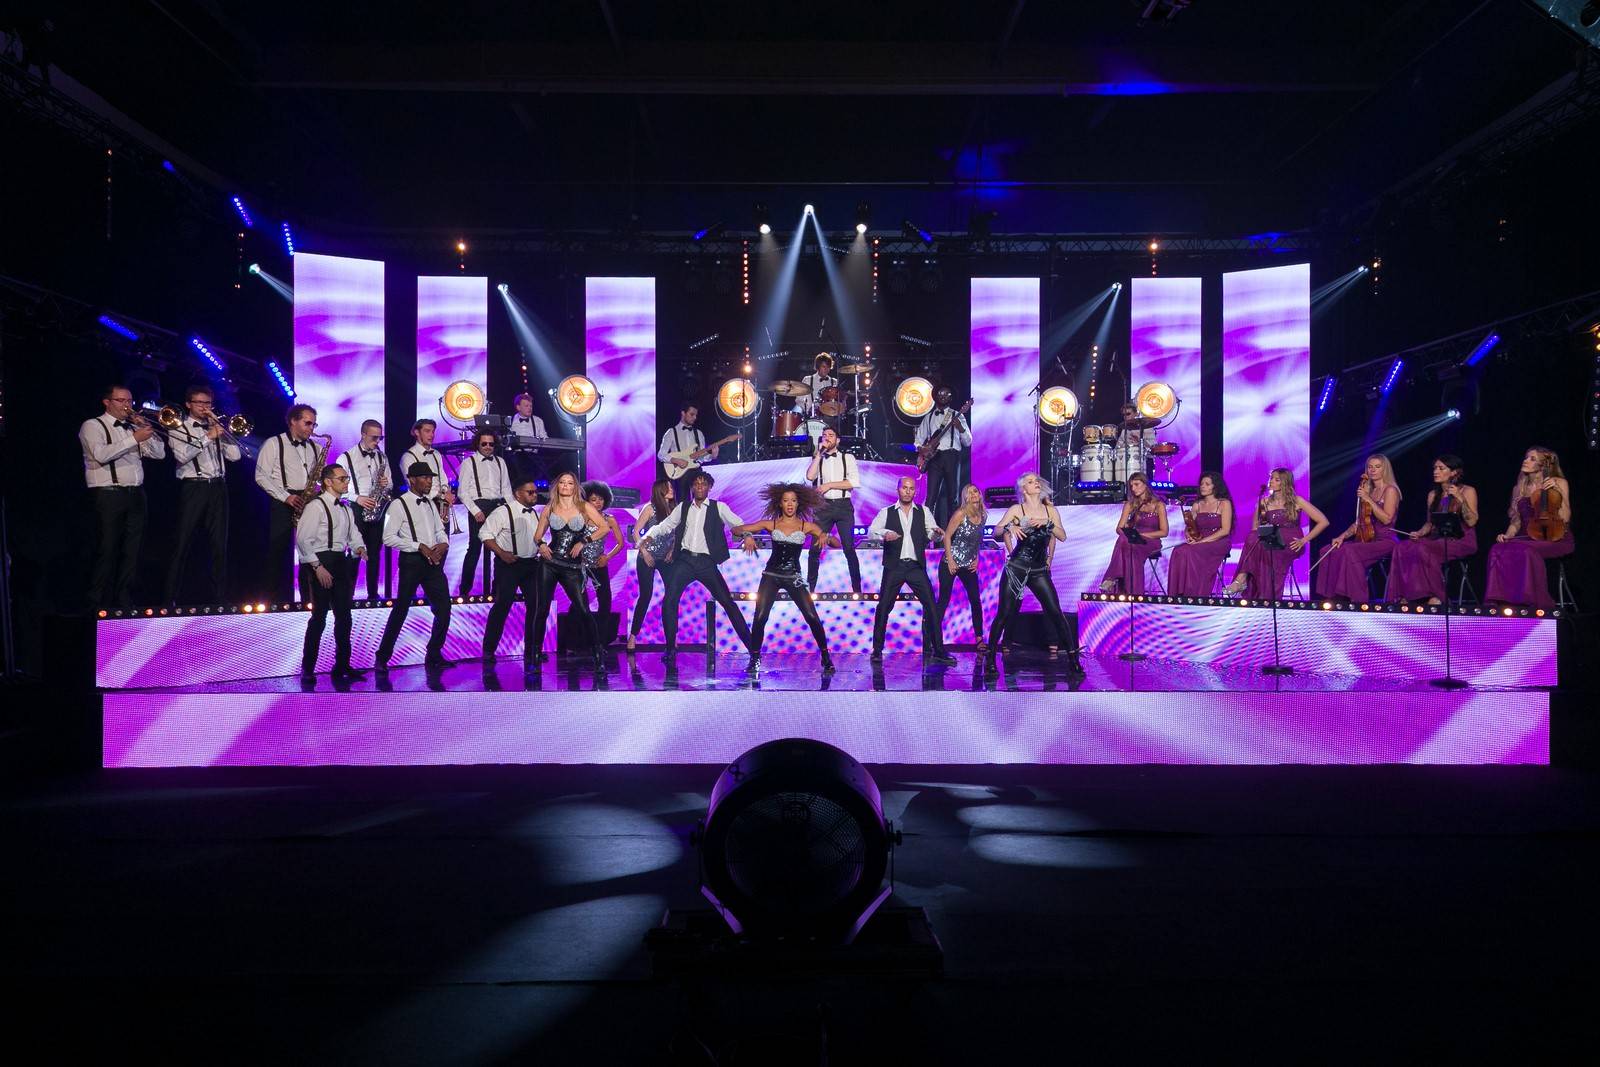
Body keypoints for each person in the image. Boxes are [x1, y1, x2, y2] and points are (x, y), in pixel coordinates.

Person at [648, 469, 759, 659]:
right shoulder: (683, 507)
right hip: (685, 561)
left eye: (704, 484)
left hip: (706, 563)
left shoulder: (719, 507)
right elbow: (666, 525)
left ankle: (752, 648)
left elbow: (738, 524)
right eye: (696, 484)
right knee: (669, 600)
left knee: (727, 602)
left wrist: (748, 535)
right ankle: (671, 648)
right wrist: (649, 536)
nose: (700, 487)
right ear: (692, 487)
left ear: (709, 487)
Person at [732, 483, 838, 672]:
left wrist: (826, 536)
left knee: (812, 616)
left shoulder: (807, 526)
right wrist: (747, 535)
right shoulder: (771, 523)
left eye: (793, 501)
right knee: (760, 617)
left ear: (798, 504)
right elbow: (736, 530)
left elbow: (837, 544)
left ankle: (825, 657)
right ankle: (754, 658)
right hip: (771, 575)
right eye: (786, 501)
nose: (790, 504)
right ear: (780, 503)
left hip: (793, 576)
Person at [80, 383, 165, 608]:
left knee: (132, 551)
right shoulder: (92, 425)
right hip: (108, 495)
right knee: (106, 549)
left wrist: (145, 429)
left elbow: (159, 454)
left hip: (136, 494)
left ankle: (123, 600)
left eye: (129, 401)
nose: (127, 405)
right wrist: (134, 439)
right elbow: (101, 454)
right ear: (107, 402)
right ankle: (96, 602)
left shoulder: (131, 427)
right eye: (121, 400)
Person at [985, 472, 1078, 669]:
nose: (1036, 483)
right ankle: (990, 658)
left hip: (1039, 569)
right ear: (1023, 489)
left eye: (1037, 481)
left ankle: (1073, 659)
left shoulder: (1050, 511)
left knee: (1055, 612)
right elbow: (995, 531)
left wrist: (1048, 524)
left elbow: (1062, 536)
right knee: (1004, 613)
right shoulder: (1017, 509)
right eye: (1030, 482)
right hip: (1016, 567)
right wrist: (1009, 527)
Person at [163, 384, 240, 605]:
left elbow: (235, 456)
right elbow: (182, 456)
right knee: (182, 543)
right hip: (193, 487)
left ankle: (219, 599)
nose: (205, 407)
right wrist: (208, 436)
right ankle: (169, 599)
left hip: (218, 488)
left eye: (208, 403)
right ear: (188, 404)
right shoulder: (178, 426)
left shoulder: (216, 427)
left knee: (219, 545)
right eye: (199, 403)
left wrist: (223, 435)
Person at [374, 462, 453, 671]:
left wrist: (443, 543)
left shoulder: (430, 504)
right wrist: (418, 546)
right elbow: (388, 538)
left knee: (444, 608)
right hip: (411, 562)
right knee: (401, 609)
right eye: (425, 478)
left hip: (433, 563)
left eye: (431, 478)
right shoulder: (397, 505)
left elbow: (439, 530)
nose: (429, 482)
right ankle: (382, 657)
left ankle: (434, 653)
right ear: (411, 480)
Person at [868, 475, 956, 665]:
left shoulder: (923, 511)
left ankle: (938, 650)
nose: (908, 491)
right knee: (883, 607)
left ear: (915, 491)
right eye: (904, 488)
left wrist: (937, 534)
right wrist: (885, 534)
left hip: (915, 566)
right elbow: (871, 531)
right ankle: (877, 650)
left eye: (911, 489)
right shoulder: (886, 512)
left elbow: (932, 532)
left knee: (931, 607)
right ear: (898, 489)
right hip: (894, 566)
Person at [528, 471, 609, 670]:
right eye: (562, 482)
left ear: (575, 486)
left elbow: (604, 527)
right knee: (542, 609)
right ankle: (535, 655)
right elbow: (537, 535)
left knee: (584, 610)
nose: (566, 485)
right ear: (558, 486)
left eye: (570, 483)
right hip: (549, 563)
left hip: (572, 566)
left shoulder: (584, 506)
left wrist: (584, 541)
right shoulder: (550, 507)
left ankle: (597, 653)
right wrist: (541, 544)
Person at [296, 464, 365, 682]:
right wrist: (317, 567)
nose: (346, 482)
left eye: (346, 478)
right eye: (342, 478)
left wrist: (359, 547)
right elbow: (303, 540)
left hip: (339, 561)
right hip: (320, 561)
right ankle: (308, 668)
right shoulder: (315, 507)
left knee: (344, 617)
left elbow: (353, 534)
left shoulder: (346, 508)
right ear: (328, 482)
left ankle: (342, 665)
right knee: (319, 617)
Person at [1485, 446, 1574, 610]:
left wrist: (1558, 491)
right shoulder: (1519, 488)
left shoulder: (1559, 482)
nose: (1525, 461)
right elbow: (1516, 521)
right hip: (1527, 536)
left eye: (1532, 459)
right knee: (1497, 549)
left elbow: (1566, 517)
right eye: (1526, 457)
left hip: (1555, 537)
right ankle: (1498, 599)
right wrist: (1507, 535)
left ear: (1542, 465)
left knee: (1525, 550)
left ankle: (1534, 602)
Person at [1222, 468, 1329, 598]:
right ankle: (1245, 580)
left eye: (1276, 479)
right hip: (1271, 539)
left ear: (1285, 483)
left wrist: (1304, 540)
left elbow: (1323, 521)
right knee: (1254, 538)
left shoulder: (1297, 501)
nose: (1271, 481)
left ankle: (1245, 583)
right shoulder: (1264, 502)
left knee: (1264, 547)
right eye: (1271, 478)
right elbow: (1255, 527)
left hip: (1291, 542)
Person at [1387, 455, 1479, 605]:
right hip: (1437, 539)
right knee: (1402, 547)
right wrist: (1420, 533)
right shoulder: (1433, 495)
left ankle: (1436, 596)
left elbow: (1472, 521)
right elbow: (1430, 523)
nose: (1436, 471)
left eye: (1441, 468)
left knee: (1422, 549)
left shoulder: (1468, 490)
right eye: (1435, 468)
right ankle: (1406, 595)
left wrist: (1460, 498)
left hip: (1461, 539)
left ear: (1454, 472)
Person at [252, 403, 320, 603]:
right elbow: (261, 476)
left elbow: (316, 478)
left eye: (314, 424)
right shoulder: (274, 443)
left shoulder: (316, 448)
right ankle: (273, 600)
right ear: (293, 421)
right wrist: (285, 496)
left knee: (309, 551)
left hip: (308, 500)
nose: (312, 428)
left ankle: (308, 599)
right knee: (278, 550)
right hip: (283, 501)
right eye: (308, 423)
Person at [1318, 454, 1402, 603]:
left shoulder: (1390, 490)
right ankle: (1331, 596)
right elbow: (1359, 522)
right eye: (1370, 467)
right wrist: (1342, 536)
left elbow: (1386, 519)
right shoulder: (1368, 490)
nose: (1372, 470)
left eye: (1377, 467)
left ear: (1385, 469)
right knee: (1329, 550)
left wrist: (1368, 499)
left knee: (1350, 551)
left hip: (1385, 540)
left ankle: (1356, 599)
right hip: (1366, 538)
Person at [480, 478, 545, 668]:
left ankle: (532, 649)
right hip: (508, 564)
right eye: (530, 492)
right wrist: (501, 553)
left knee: (536, 606)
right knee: (502, 606)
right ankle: (488, 650)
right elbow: (484, 534)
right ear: (518, 494)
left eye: (535, 492)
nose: (534, 495)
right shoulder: (503, 512)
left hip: (531, 565)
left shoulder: (535, 513)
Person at [336, 420, 392, 600]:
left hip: (376, 508)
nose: (378, 441)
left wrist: (386, 484)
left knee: (374, 554)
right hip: (355, 509)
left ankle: (373, 594)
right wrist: (357, 498)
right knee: (354, 552)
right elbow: (337, 489)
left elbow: (390, 485)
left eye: (380, 437)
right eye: (374, 437)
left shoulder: (382, 457)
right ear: (363, 434)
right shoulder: (346, 458)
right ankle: (347, 595)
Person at [804, 426, 863, 593]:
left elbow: (853, 482)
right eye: (824, 435)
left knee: (849, 548)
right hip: (823, 507)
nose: (827, 438)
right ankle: (810, 589)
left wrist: (829, 485)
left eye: (831, 435)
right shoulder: (819, 458)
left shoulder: (847, 457)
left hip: (843, 506)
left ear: (837, 440)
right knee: (815, 549)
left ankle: (857, 589)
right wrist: (818, 455)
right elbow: (809, 476)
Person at [457, 430, 512, 595]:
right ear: (478, 444)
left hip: (498, 506)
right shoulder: (469, 463)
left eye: (491, 444)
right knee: (474, 548)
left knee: (500, 548)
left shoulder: (501, 462)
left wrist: (513, 511)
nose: (488, 447)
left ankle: (497, 589)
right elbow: (462, 492)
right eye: (484, 444)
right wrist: (475, 511)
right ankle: (464, 591)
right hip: (479, 506)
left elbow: (507, 490)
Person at [935, 483, 989, 650]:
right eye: (969, 492)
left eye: (975, 491)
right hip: (950, 562)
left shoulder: (983, 515)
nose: (973, 494)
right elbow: (947, 536)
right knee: (943, 600)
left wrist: (977, 557)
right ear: (965, 497)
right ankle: (933, 639)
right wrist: (950, 560)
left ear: (979, 494)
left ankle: (979, 639)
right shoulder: (960, 514)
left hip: (968, 564)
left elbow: (977, 540)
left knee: (976, 600)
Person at [1098, 471, 1169, 595]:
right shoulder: (1130, 504)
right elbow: (1119, 528)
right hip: (1133, 538)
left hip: (1151, 541)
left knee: (1126, 543)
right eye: (1131, 486)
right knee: (1125, 541)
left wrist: (1141, 535)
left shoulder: (1158, 505)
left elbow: (1164, 532)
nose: (1133, 488)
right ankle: (1131, 590)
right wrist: (1129, 533)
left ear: (1145, 485)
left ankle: (1112, 578)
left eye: (1136, 484)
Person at [1166, 472, 1235, 597]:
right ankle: (1178, 593)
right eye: (1202, 484)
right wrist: (1189, 535)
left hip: (1218, 540)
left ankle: (1193, 593)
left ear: (1215, 486)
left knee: (1191, 551)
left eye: (1207, 484)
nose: (1203, 486)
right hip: (1200, 539)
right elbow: (1189, 526)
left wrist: (1202, 541)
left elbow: (1225, 530)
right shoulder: (1197, 504)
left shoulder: (1224, 503)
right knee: (1178, 551)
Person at [627, 479, 676, 651]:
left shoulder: (675, 510)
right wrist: (645, 552)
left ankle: (672, 637)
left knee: (672, 595)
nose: (671, 489)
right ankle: (632, 637)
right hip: (647, 556)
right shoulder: (650, 508)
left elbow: (676, 534)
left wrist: (672, 550)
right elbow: (635, 531)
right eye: (668, 487)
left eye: (671, 487)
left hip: (666, 557)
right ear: (660, 490)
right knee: (645, 595)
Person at [915, 387, 972, 526]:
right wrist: (922, 449)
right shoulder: (929, 417)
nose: (943, 396)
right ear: (935, 396)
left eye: (947, 394)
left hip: (951, 457)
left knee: (953, 497)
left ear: (951, 398)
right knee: (931, 497)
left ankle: (953, 531)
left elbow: (968, 441)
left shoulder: (958, 415)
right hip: (934, 458)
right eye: (940, 393)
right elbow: (918, 440)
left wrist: (961, 428)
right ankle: (927, 529)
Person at [579, 480, 626, 620]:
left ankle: (602, 632)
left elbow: (621, 543)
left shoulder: (609, 519)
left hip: (599, 564)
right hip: (580, 565)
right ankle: (580, 631)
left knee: (605, 600)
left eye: (601, 499)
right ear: (586, 501)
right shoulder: (580, 517)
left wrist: (607, 557)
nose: (598, 502)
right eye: (593, 499)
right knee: (579, 602)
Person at [401, 418, 456, 533]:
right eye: (427, 431)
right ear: (417, 432)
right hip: (422, 506)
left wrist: (447, 493)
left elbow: (442, 478)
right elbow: (414, 486)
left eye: (433, 431)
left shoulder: (436, 454)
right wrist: (441, 495)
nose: (431, 435)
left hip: (440, 504)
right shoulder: (408, 457)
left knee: (443, 540)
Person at [657, 404, 718, 479]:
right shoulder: (671, 432)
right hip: (680, 473)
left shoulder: (699, 433)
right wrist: (675, 460)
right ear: (683, 413)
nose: (695, 417)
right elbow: (661, 454)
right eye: (692, 414)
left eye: (696, 415)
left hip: (696, 471)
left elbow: (701, 457)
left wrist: (712, 456)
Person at [799, 352, 840, 445]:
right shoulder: (808, 380)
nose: (826, 369)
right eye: (823, 366)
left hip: (830, 418)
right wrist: (809, 409)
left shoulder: (834, 382)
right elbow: (799, 399)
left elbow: (839, 401)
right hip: (812, 416)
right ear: (818, 367)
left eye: (828, 367)